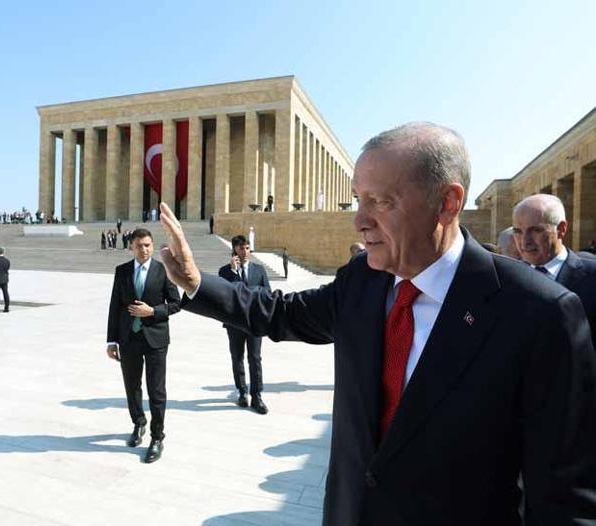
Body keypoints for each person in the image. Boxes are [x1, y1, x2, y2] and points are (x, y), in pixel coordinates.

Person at [158, 122, 596, 525]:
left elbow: (562, 499)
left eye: (381, 202)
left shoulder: (537, 312)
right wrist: (196, 283)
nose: (359, 221)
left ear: (447, 203)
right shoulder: (362, 282)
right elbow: (282, 313)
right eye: (357, 200)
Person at [106, 228, 180, 464]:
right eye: (140, 245)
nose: (144, 249)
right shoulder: (122, 271)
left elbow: (177, 304)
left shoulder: (163, 271)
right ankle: (139, 423)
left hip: (156, 339)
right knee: (132, 386)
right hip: (129, 339)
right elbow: (115, 306)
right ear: (131, 247)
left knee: (156, 390)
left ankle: (157, 437)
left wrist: (153, 311)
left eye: (148, 245)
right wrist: (111, 340)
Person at [512, 193, 596, 347]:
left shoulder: (592, 277)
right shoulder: (508, 277)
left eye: (536, 230)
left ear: (561, 229)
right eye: (518, 231)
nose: (525, 241)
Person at [218, 235, 271, 413]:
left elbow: (267, 294)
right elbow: (226, 294)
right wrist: (234, 273)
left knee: (255, 358)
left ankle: (257, 396)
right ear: (234, 250)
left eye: (247, 248)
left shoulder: (259, 270)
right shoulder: (225, 272)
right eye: (241, 249)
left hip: (255, 322)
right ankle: (242, 391)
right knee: (237, 357)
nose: (245, 252)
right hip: (234, 323)